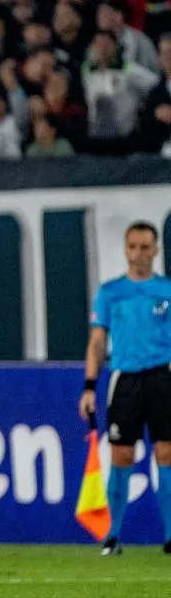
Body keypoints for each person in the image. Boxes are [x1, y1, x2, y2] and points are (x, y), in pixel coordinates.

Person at [78, 221, 171, 556]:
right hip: (125, 379)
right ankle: (113, 536)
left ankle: (170, 535)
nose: (138, 254)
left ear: (156, 250)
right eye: (132, 246)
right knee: (122, 454)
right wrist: (90, 386)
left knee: (166, 453)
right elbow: (98, 341)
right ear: (125, 249)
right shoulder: (110, 291)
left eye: (145, 247)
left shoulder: (166, 290)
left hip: (163, 377)